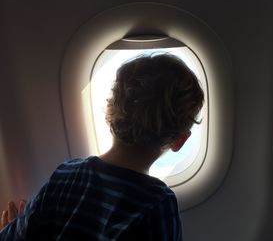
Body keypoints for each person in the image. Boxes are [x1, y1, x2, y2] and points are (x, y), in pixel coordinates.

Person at [0, 53, 204, 240]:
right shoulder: (158, 203)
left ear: (108, 112)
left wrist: (14, 227)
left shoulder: (65, 175)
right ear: (179, 141)